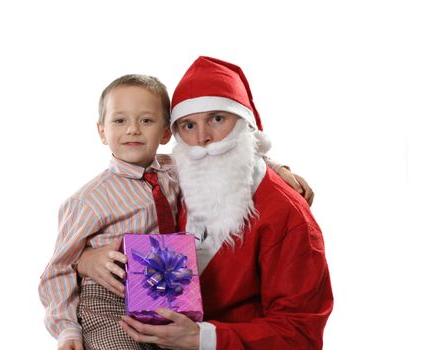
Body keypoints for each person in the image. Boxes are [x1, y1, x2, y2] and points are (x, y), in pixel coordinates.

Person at [39, 72, 316, 350]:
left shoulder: (177, 171)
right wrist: (68, 327)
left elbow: (236, 154)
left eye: (146, 120)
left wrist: (278, 169)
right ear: (102, 131)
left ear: (165, 133)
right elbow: (58, 268)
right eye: (120, 120)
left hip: (167, 293)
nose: (133, 129)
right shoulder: (87, 200)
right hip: (109, 301)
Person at [117, 57, 334, 349]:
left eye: (217, 119)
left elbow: (301, 332)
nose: (203, 139)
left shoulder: (288, 214)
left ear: (244, 124)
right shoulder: (173, 180)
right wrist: (84, 259)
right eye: (189, 125)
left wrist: (204, 339)